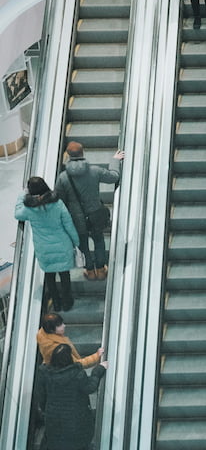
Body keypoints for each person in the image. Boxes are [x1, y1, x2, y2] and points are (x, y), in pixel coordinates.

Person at [35, 344, 107, 450]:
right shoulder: (77, 374)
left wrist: (46, 410)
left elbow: (42, 396)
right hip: (76, 419)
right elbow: (90, 387)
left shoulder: (46, 375)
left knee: (63, 447)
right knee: (81, 446)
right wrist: (98, 370)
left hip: (55, 419)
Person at [55, 141, 122, 281]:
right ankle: (101, 269)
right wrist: (114, 160)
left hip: (76, 218)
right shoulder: (94, 171)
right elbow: (114, 176)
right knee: (98, 240)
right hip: (95, 213)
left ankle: (90, 271)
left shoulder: (63, 177)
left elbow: (60, 200)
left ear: (68, 155)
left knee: (83, 244)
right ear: (82, 152)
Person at [15, 177, 80, 312]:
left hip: (43, 248)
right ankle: (67, 302)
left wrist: (22, 196)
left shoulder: (29, 208)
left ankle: (56, 303)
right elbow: (68, 224)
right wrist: (76, 241)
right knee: (64, 275)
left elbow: (17, 214)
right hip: (62, 244)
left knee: (49, 276)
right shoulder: (57, 204)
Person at [36, 313, 103, 369]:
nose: (64, 326)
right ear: (51, 330)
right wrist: (96, 357)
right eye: (59, 325)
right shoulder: (58, 349)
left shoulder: (43, 334)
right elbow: (76, 364)